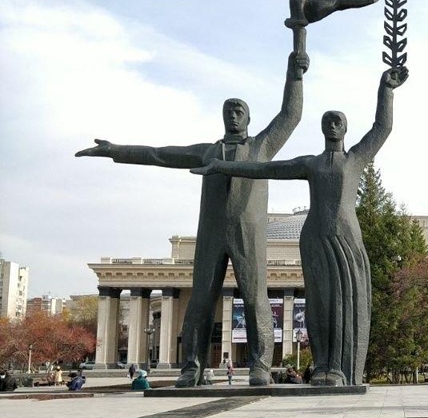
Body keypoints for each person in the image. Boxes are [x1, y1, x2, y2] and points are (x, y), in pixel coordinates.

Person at [77, 51, 309, 386]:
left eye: (239, 111)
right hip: (212, 233)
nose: (233, 116)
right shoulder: (207, 151)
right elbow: (159, 154)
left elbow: (291, 114)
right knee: (200, 298)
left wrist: (295, 73)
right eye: (228, 111)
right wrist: (115, 150)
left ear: (248, 118)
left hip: (248, 234)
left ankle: (259, 366)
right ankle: (192, 367)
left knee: (255, 297)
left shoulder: (261, 147)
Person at [193, 66, 409, 386]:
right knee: (319, 305)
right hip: (315, 239)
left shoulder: (356, 158)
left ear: (346, 128)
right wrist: (222, 166)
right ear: (321, 128)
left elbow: (382, 128)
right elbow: (266, 169)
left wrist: (386, 90)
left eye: (337, 121)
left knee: (345, 302)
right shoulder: (310, 163)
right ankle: (322, 366)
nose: (332, 125)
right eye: (327, 121)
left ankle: (341, 369)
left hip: (346, 239)